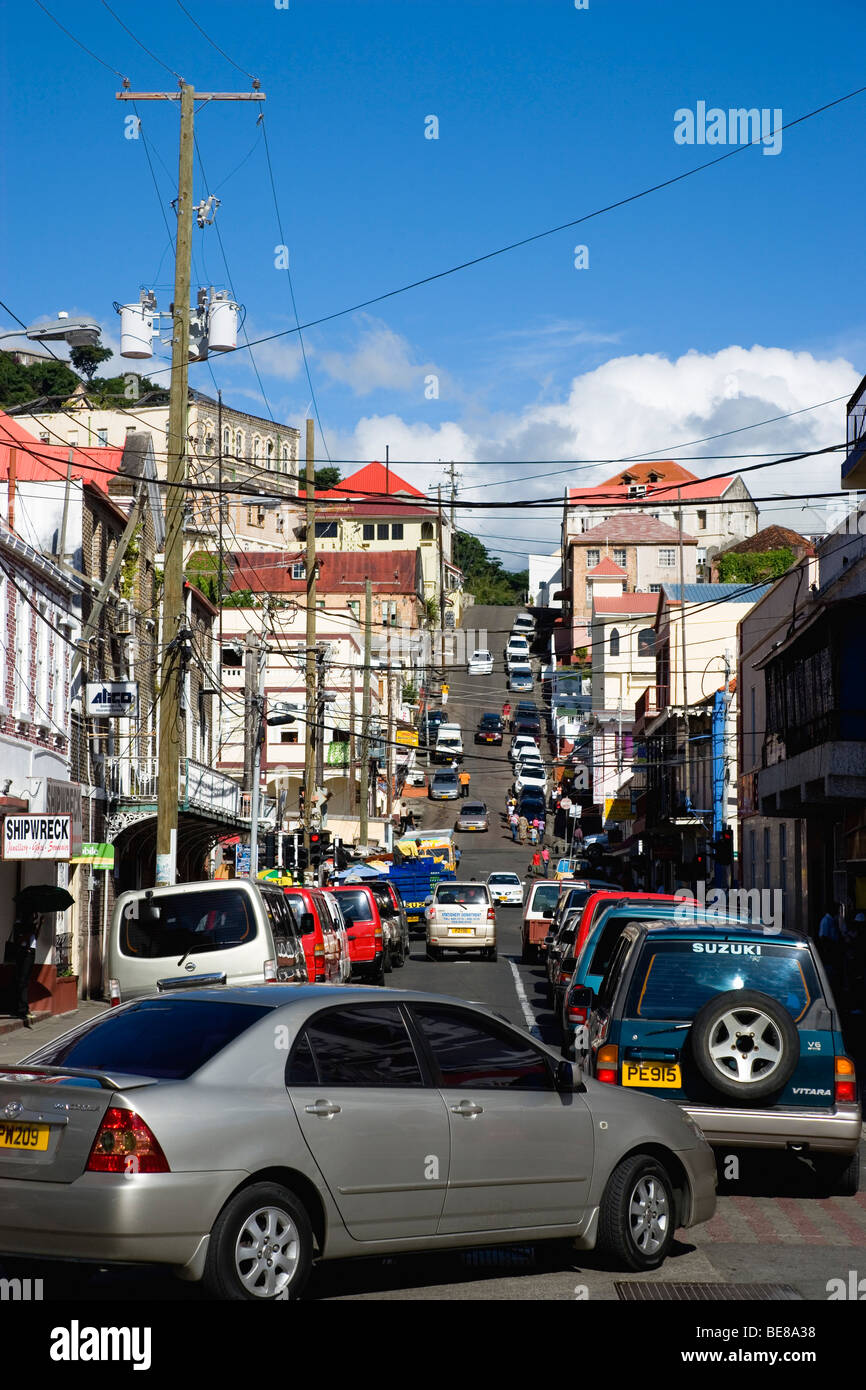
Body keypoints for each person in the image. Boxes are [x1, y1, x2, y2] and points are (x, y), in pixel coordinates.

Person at [11, 910, 40, 1028]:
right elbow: (19, 940)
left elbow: (35, 938)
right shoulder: (20, 925)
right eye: (33, 914)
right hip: (24, 953)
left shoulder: (31, 926)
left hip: (31, 952)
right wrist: (30, 931)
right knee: (22, 981)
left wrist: (40, 925)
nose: (35, 916)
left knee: (26, 981)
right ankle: (22, 1009)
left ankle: (24, 1008)